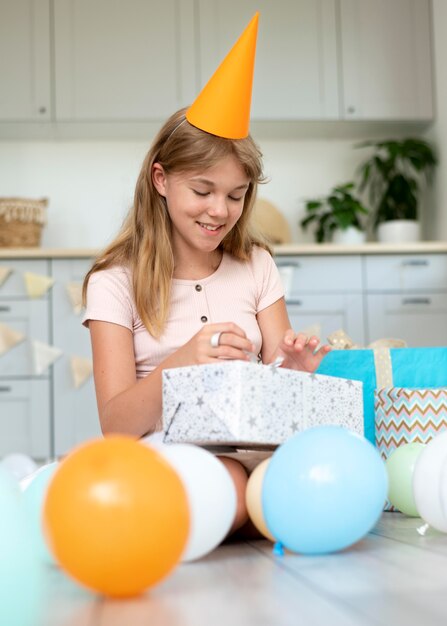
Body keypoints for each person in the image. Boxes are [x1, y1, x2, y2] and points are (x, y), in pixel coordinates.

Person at [82, 13, 331, 536]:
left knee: (294, 476)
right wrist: (182, 363)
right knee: (234, 491)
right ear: (161, 180)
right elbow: (116, 425)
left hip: (255, 450)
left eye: (236, 196)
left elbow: (271, 402)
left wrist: (293, 371)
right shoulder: (114, 281)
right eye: (203, 191)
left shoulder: (257, 265)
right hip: (169, 456)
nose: (220, 210)